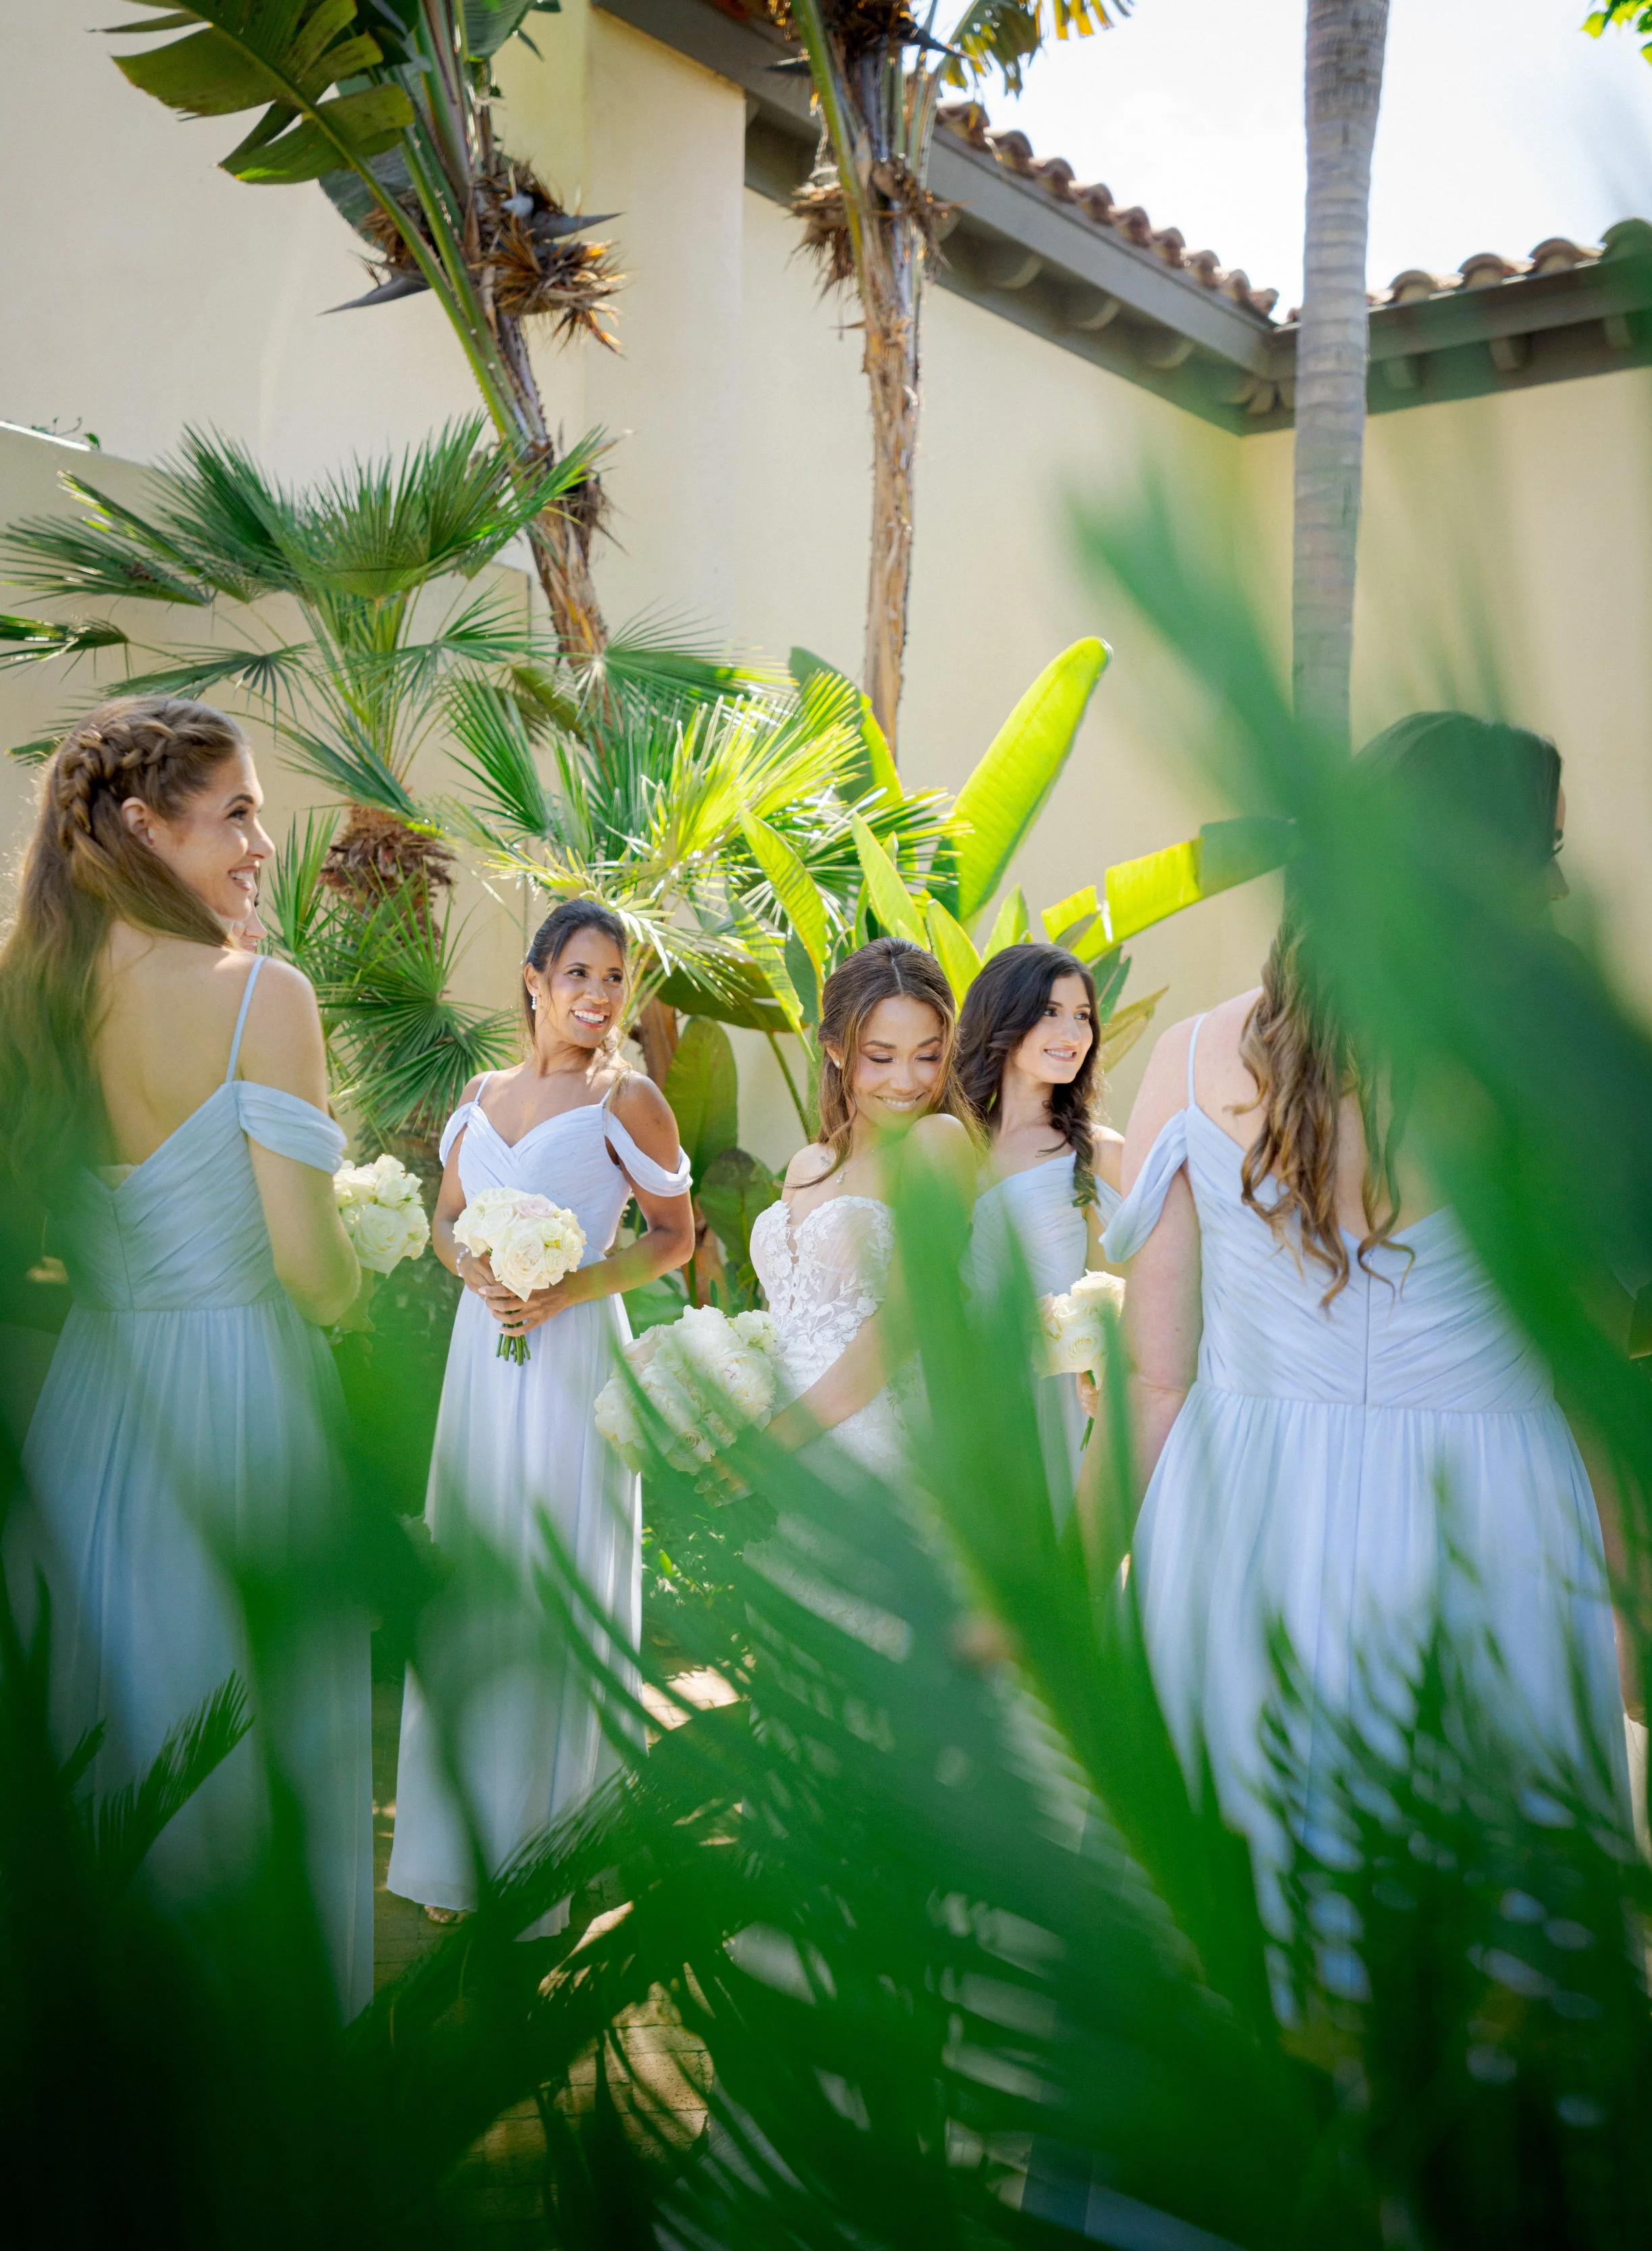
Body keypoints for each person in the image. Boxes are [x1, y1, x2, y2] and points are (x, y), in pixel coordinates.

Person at [1100, 711, 1652, 1903]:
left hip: (1237, 1532)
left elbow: (1155, 1376)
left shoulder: (1195, 1062)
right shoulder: (1557, 1093)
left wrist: (1129, 1578)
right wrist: (1647, 1599)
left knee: (1242, 1918)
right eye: (1543, 852)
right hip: (1494, 1535)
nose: (1561, 882)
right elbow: (1590, 1383)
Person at [0, 696, 373, 2013]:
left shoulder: (28, 989)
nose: (264, 840)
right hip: (244, 1407)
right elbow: (306, 1263)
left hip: (92, 1417)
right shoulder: (260, 995)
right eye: (238, 814)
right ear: (146, 826)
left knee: (105, 1727)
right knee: (249, 1737)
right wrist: (355, 1293)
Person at [387, 899, 694, 1930]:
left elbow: (673, 1238)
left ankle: (545, 1853)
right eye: (580, 975)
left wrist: (572, 1286)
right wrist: (473, 1265)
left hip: (570, 1359)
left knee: (551, 1578)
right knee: (475, 1573)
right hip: (483, 1359)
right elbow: (442, 1219)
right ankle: (454, 1848)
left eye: (614, 980)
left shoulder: (629, 1099)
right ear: (533, 979)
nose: (600, 998)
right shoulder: (478, 1096)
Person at [753, 937, 975, 1476]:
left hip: (876, 1460)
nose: (907, 1081)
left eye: (928, 1056)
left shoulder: (937, 1144)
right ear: (834, 1048)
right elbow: (778, 1323)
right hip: (781, 1453)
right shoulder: (808, 1165)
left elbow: (899, 1328)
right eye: (882, 1057)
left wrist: (766, 1448)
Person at [957, 943, 1126, 1511]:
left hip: (1039, 1403)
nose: (1072, 1032)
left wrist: (1102, 1368)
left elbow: (1124, 1296)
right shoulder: (942, 1138)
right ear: (1003, 1017)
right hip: (939, 1384)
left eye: (1083, 1016)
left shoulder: (1095, 1155)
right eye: (1050, 1011)